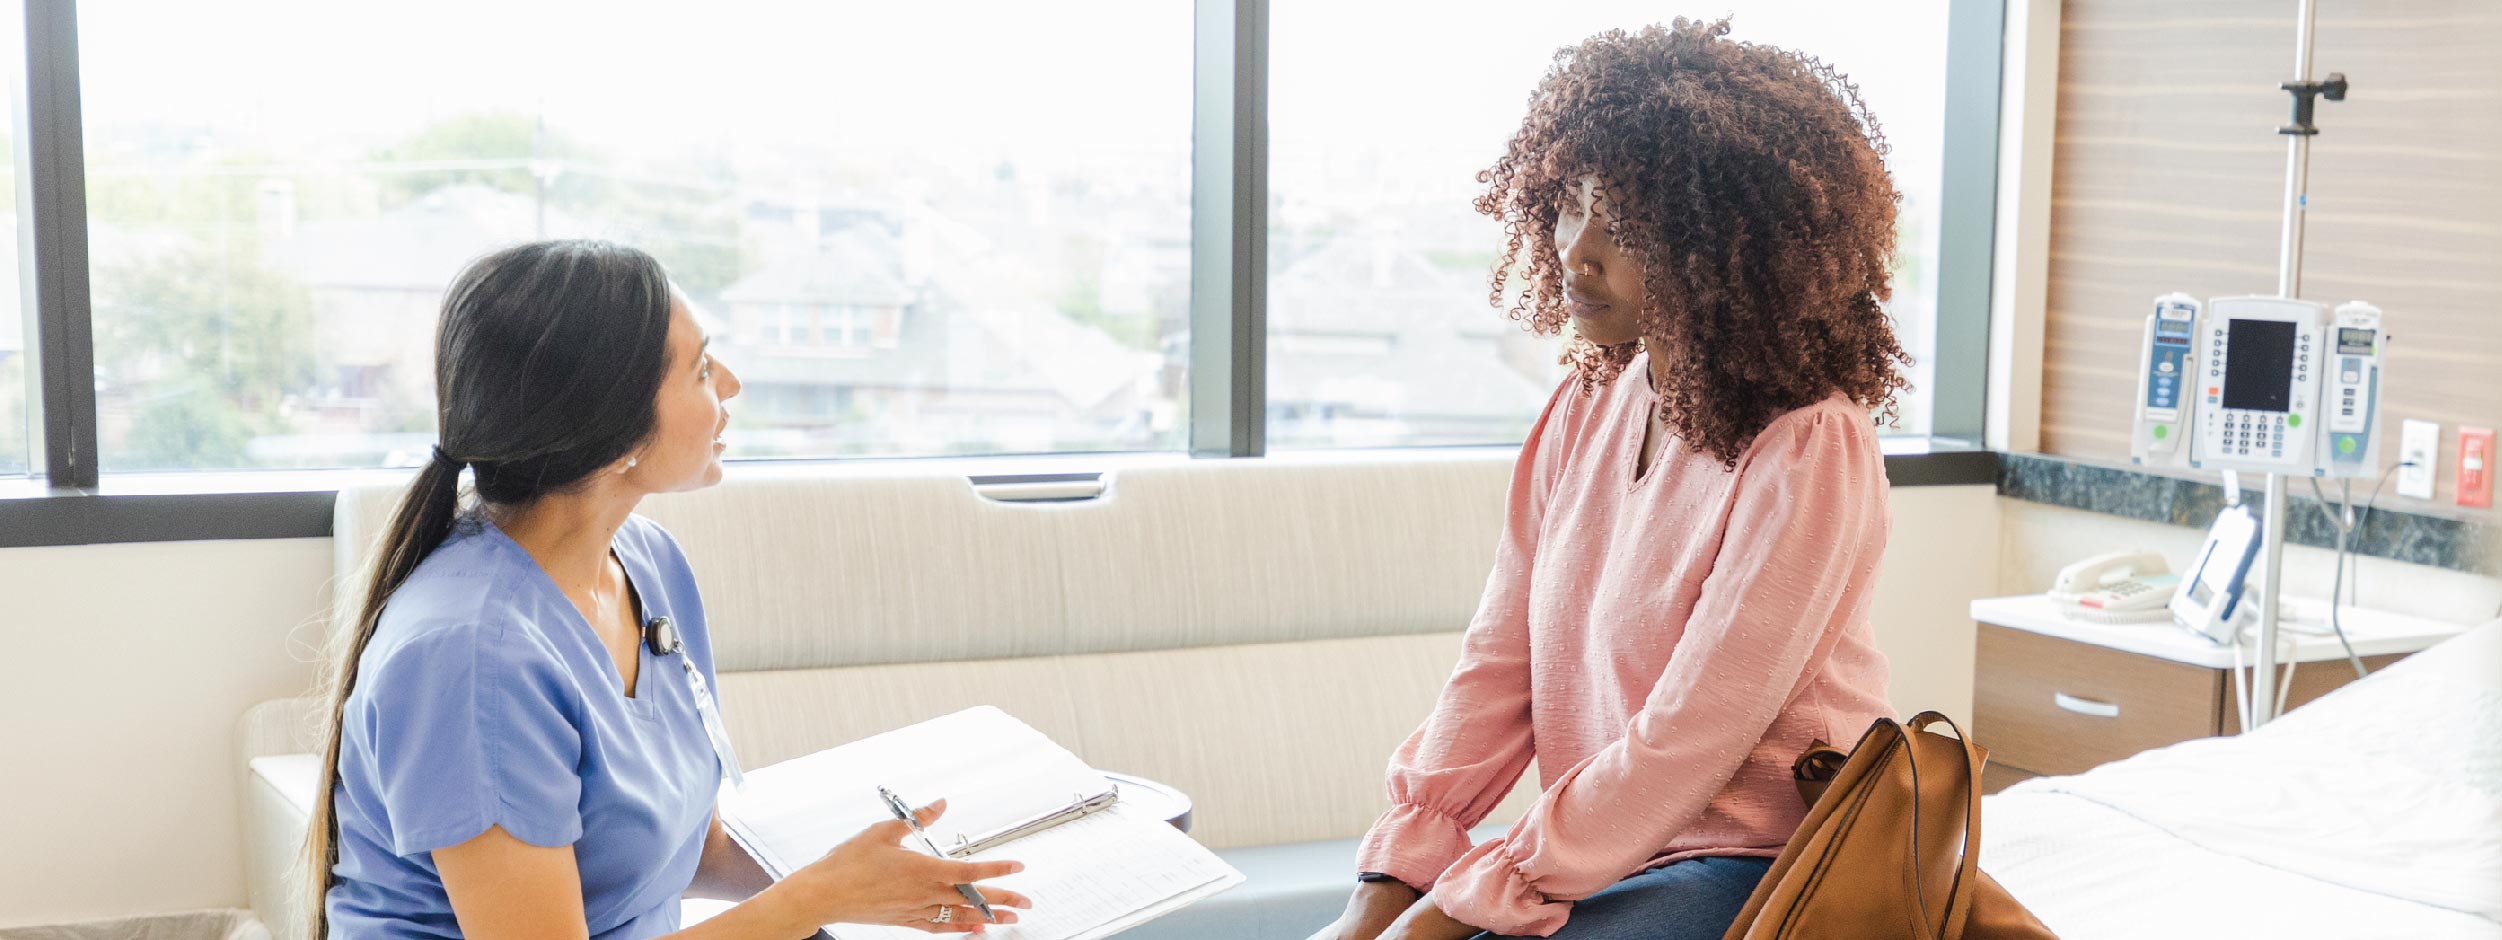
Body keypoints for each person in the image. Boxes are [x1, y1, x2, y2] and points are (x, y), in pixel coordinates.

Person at [1311, 19, 1909, 940]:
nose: (1575, 249)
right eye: (1567, 206)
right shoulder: (1585, 404)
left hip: (1760, 859)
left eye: (1624, 226)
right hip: (1604, 853)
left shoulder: (1809, 443)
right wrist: (1388, 885)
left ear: (1726, 245)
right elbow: (1497, 665)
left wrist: (1457, 907)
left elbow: (1688, 743)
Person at [306, 240, 1031, 939]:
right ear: (614, 427)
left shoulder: (645, 563)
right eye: (703, 370)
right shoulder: (470, 658)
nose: (733, 387)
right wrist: (809, 902)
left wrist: (881, 878)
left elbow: (688, 853)